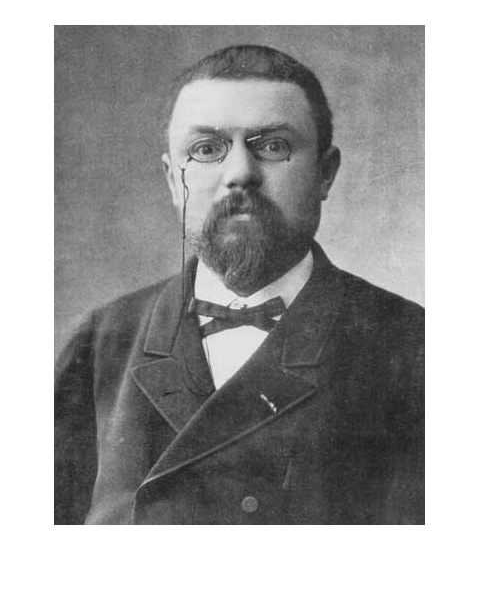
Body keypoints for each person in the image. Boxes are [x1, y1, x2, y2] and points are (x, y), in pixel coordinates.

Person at [55, 44, 424, 525]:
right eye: (207, 150)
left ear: (325, 173)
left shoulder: (415, 346)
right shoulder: (99, 344)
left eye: (272, 147)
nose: (240, 174)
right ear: (173, 181)